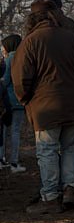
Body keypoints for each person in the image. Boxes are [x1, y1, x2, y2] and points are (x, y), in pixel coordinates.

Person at [11, 0, 74, 213]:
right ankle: (70, 189)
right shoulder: (71, 38)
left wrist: (25, 99)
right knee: (70, 148)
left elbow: (20, 80)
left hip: (45, 107)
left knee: (47, 151)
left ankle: (50, 197)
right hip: (72, 104)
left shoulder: (30, 41)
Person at [1, 35, 26, 173]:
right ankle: (14, 162)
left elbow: (5, 80)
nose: (3, 49)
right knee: (15, 131)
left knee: (4, 131)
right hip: (20, 100)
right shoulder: (24, 57)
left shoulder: (10, 58)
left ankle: (3, 160)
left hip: (8, 101)